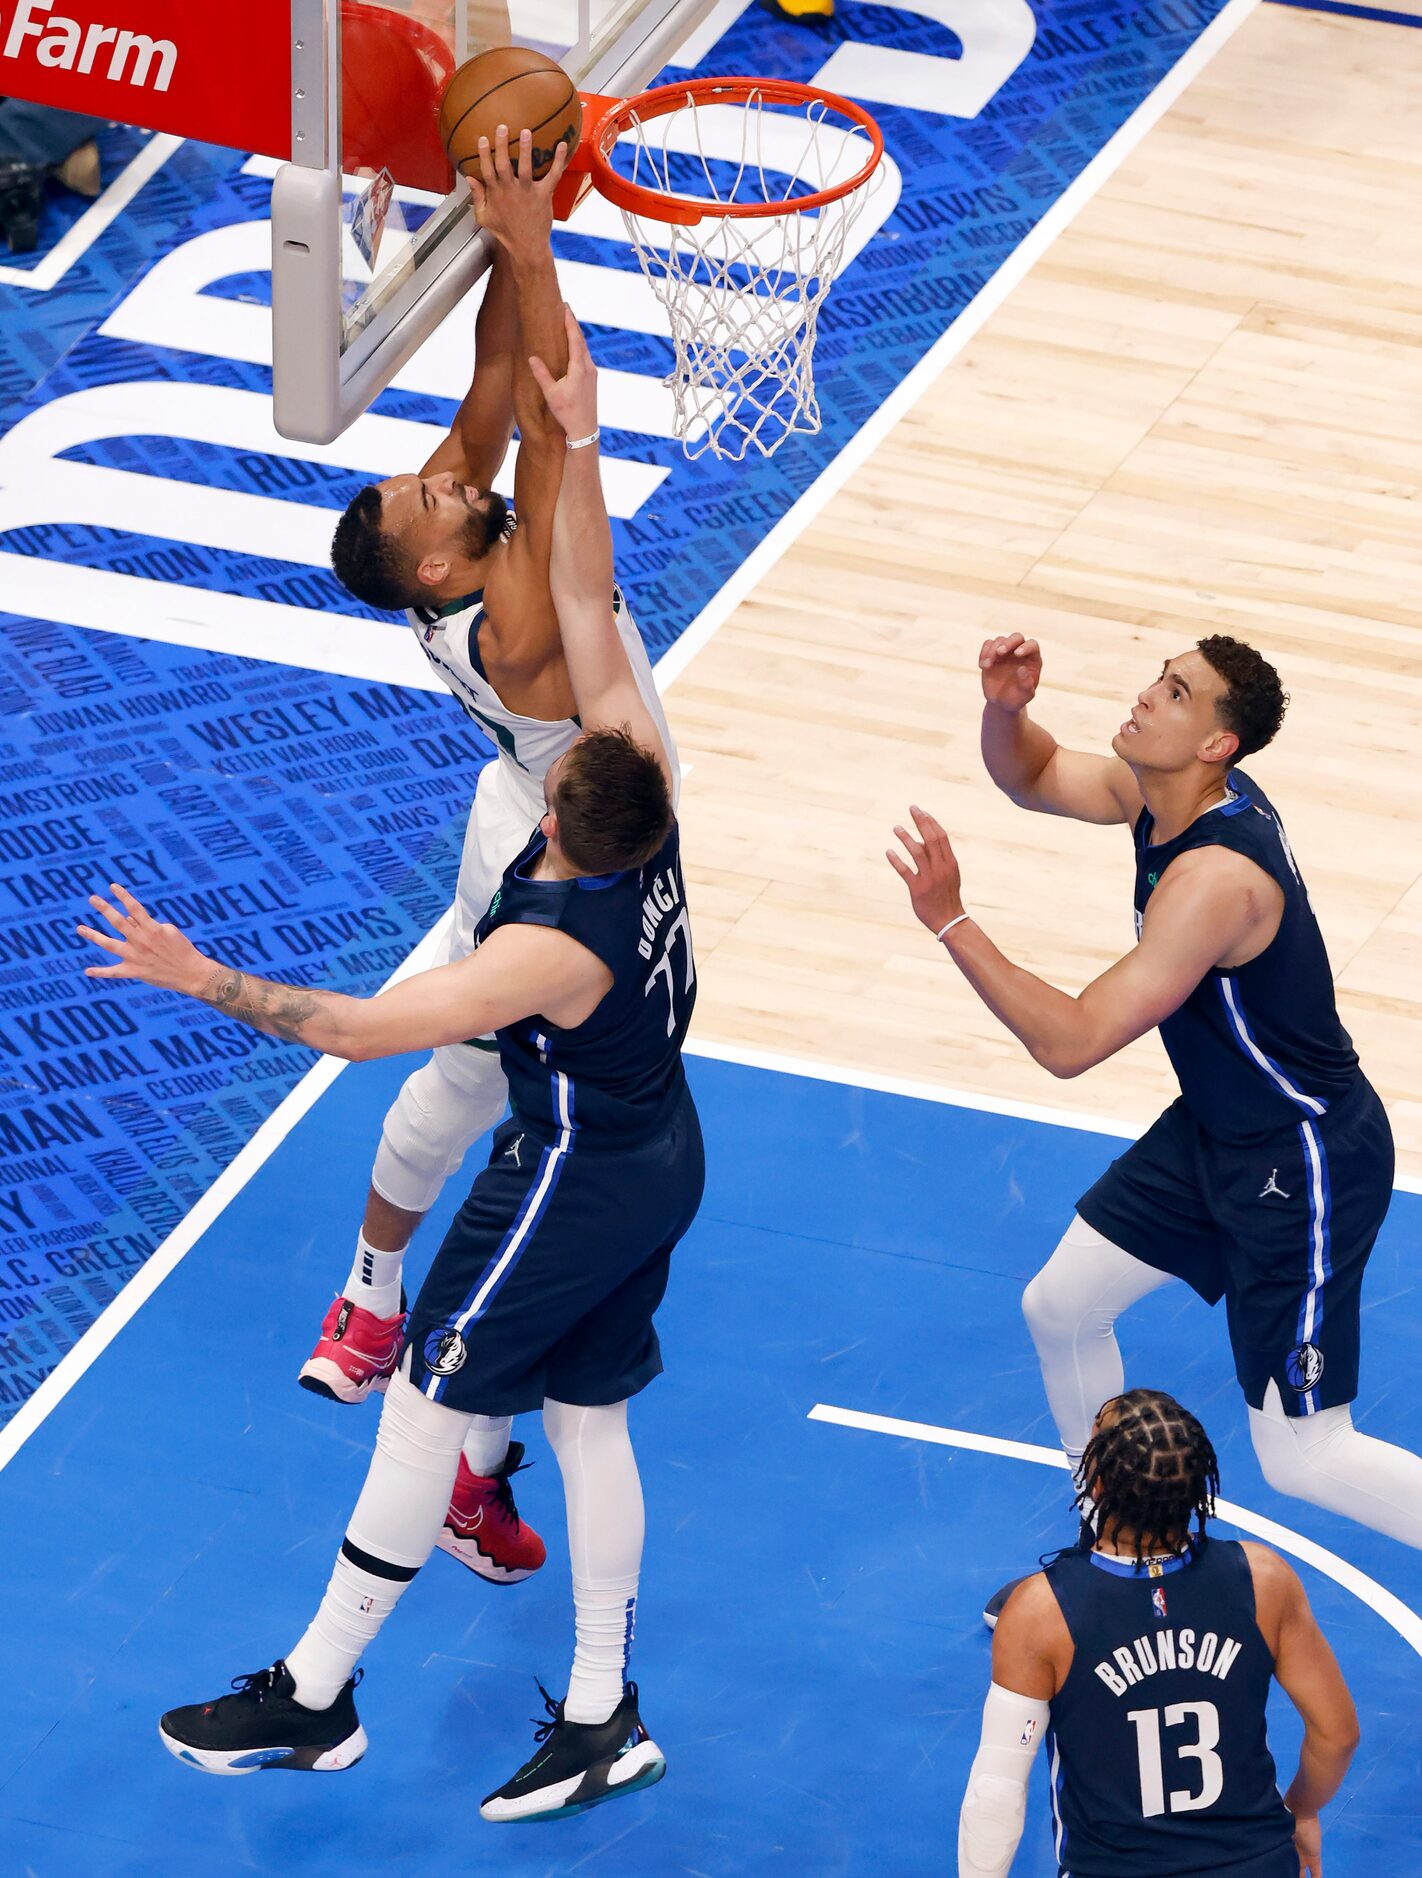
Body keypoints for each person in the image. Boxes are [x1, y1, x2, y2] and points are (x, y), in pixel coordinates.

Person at [79, 305, 702, 1821]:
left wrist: (195, 971)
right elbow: (588, 585)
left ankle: (314, 1690)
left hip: (576, 1173)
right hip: (652, 1146)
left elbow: (354, 1028)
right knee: (588, 1419)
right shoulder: (645, 795)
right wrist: (581, 431)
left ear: (557, 802)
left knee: (431, 1399)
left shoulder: (545, 941)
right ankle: (604, 1709)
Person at [315, 126, 677, 1587]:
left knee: (543, 1120)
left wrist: (484, 223)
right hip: (551, 828)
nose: (441, 479)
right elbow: (541, 414)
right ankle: (371, 1297)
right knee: (488, 1083)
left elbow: (484, 386)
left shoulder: (447, 546)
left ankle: (462, 1448)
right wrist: (531, 239)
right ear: (439, 572)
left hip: (554, 791)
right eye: (430, 501)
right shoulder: (516, 608)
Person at [887, 633, 1422, 1604]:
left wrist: (953, 922)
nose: (1144, 695)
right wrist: (1004, 709)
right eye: (1158, 677)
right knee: (1060, 1306)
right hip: (1220, 1130)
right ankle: (1122, 1562)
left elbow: (1073, 1040)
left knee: (1304, 1454)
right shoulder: (1157, 796)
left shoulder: (1215, 882)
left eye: (1175, 693)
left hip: (1301, 1162)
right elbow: (1036, 773)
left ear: (1217, 744)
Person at [957, 1389, 1358, 1877]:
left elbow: (996, 1792)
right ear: (1195, 1487)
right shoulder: (1263, 1580)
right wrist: (1302, 1811)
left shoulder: (1042, 1614)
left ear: (1097, 1485)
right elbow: (1337, 1734)